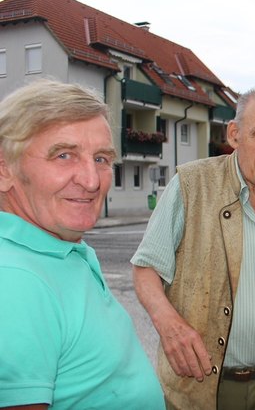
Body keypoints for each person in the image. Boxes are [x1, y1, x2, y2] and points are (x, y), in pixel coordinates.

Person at [131, 86, 255, 409]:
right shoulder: (191, 186)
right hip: (201, 384)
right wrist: (169, 325)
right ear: (235, 135)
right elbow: (146, 269)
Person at [0, 80, 165, 409]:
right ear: (5, 171)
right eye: (64, 155)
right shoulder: (16, 280)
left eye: (102, 159)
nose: (91, 181)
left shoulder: (56, 244)